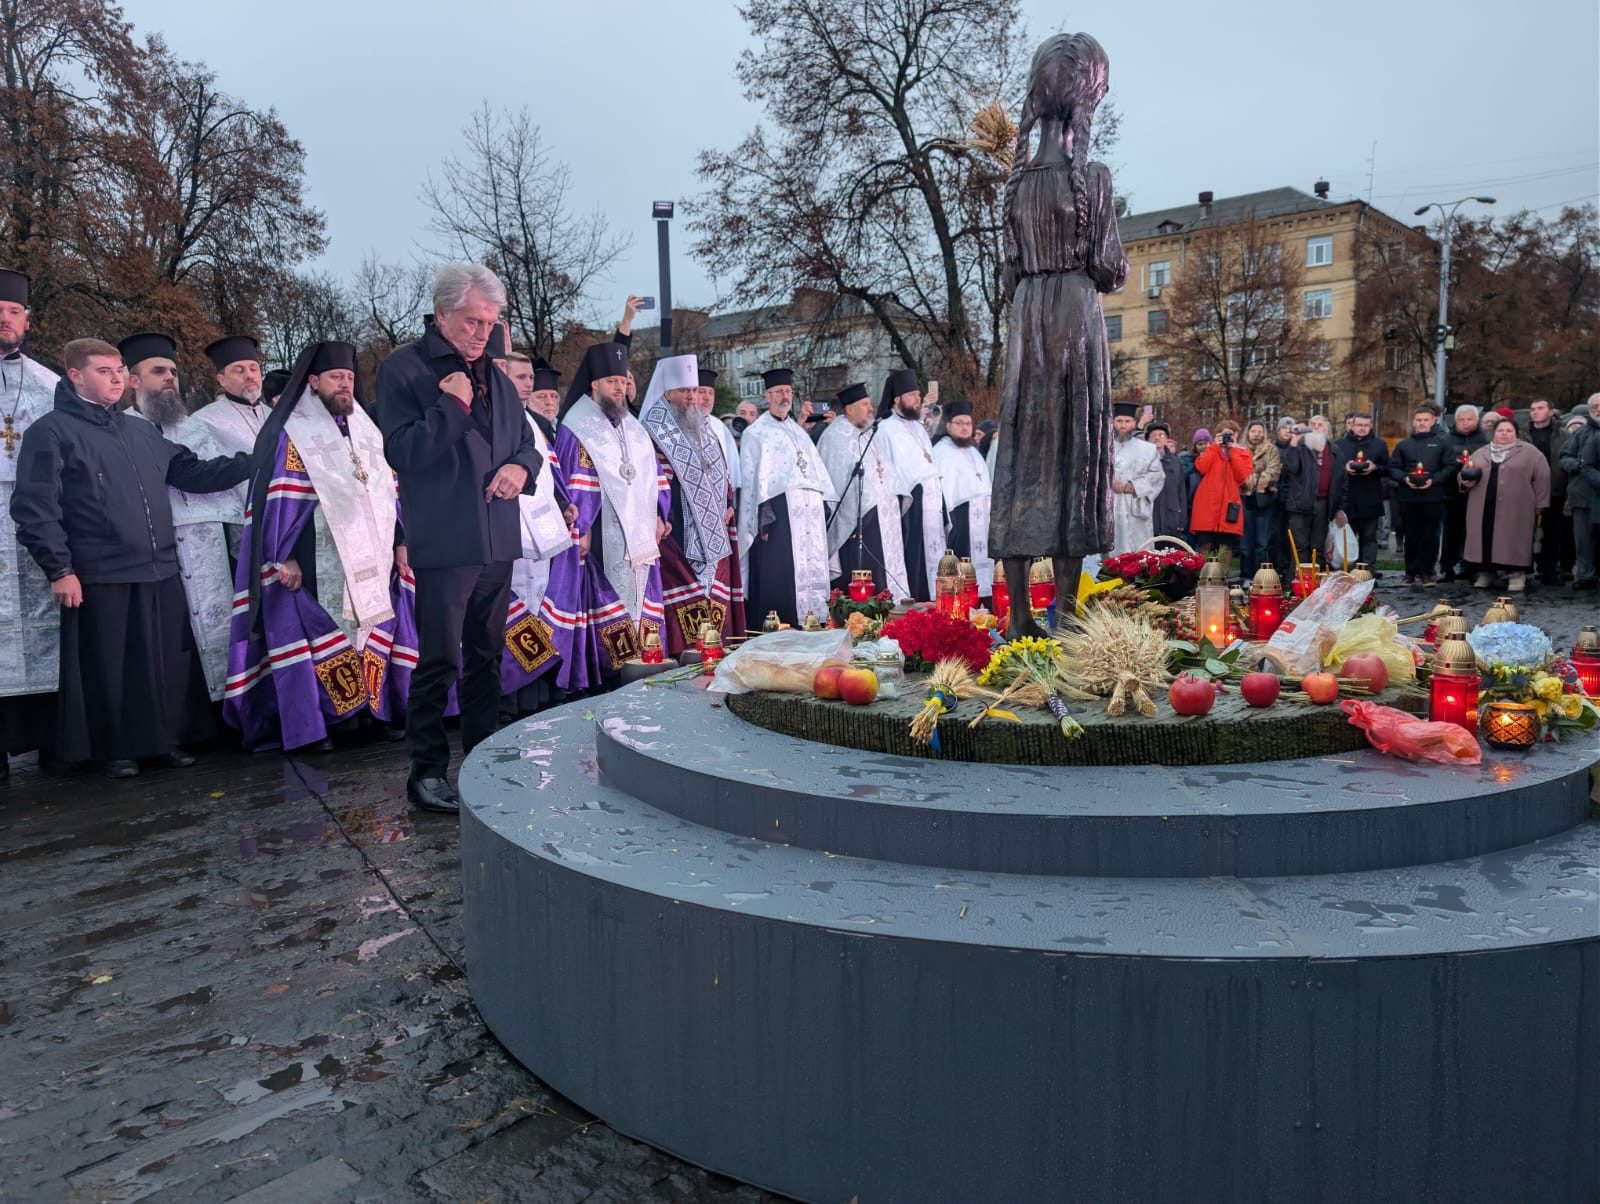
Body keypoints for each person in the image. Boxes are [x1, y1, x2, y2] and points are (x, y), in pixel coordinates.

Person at [10, 338, 255, 777]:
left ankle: (164, 742)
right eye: (103, 371)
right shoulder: (51, 432)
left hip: (159, 566)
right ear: (75, 376)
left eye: (119, 370)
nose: (116, 378)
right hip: (100, 571)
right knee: (112, 669)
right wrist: (60, 569)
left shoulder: (141, 429)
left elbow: (190, 473)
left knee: (162, 665)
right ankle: (116, 750)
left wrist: (253, 462)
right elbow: (34, 507)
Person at [376, 264, 544, 814]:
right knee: (440, 660)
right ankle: (426, 772)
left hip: (497, 536)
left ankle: (482, 757)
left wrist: (522, 469)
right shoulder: (403, 369)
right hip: (447, 540)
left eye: (490, 323)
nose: (482, 333)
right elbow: (402, 453)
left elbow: (526, 442)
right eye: (473, 321)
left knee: (487, 657)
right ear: (443, 313)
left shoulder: (495, 373)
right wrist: (451, 405)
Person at [989, 33, 1126, 638]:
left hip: (1028, 321)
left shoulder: (1015, 187)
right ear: (1086, 104)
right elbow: (1110, 268)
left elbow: (1009, 271)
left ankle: (1019, 615)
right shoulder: (1093, 178)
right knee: (1075, 456)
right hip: (1075, 315)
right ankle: (1066, 617)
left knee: (1022, 456)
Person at [225, 341, 407, 752]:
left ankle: (371, 711)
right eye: (335, 378)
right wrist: (281, 553)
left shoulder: (367, 430)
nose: (344, 385)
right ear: (313, 382)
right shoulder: (292, 432)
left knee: (370, 626)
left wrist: (400, 542)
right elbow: (275, 499)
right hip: (314, 552)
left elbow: (388, 494)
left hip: (371, 554)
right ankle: (330, 719)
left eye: (349, 378)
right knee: (328, 632)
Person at [120, 331, 237, 701]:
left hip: (208, 546)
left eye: (172, 370)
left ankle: (224, 713)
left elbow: (226, 490)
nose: (170, 377)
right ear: (133, 381)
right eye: (158, 371)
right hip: (155, 549)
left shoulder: (197, 428)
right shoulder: (121, 428)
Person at [543, 341, 666, 687]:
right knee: (608, 608)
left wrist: (659, 514)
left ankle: (646, 666)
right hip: (601, 534)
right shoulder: (577, 425)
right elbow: (574, 482)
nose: (619, 387)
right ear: (594, 384)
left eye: (623, 381)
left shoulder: (634, 427)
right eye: (611, 381)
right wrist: (582, 527)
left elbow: (653, 479)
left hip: (641, 539)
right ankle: (609, 676)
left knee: (642, 605)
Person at [0, 268, 62, 774]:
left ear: (28, 320)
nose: (5, 319)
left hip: (37, 527)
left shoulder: (53, 386)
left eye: (13, 311)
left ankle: (55, 743)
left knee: (47, 630)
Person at [640, 354, 744, 654]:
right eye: (684, 391)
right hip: (677, 535)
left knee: (715, 608)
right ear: (667, 393)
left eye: (695, 390)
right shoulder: (653, 432)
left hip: (713, 534)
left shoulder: (705, 428)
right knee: (685, 615)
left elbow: (721, 473)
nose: (691, 397)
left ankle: (715, 660)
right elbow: (655, 484)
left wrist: (728, 503)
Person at [737, 367, 838, 625]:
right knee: (782, 574)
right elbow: (753, 484)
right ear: (767, 396)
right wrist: (764, 520)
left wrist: (824, 508)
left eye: (788, 391)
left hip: (808, 518)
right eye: (779, 392)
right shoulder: (755, 433)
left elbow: (816, 474)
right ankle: (783, 626)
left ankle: (815, 622)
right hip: (778, 519)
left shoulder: (798, 431)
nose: (785, 396)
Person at [500, 351, 571, 718]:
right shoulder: (493, 418)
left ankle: (540, 691)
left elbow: (546, 473)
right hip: (508, 533)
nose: (529, 383)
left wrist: (563, 503)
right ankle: (511, 700)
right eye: (520, 377)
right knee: (513, 615)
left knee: (539, 611)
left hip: (540, 534)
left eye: (530, 377)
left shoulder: (531, 421)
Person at [819, 382, 910, 599]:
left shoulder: (868, 432)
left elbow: (885, 472)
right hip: (858, 524)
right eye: (865, 404)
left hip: (882, 517)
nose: (871, 409)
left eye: (870, 404)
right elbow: (837, 483)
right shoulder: (834, 437)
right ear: (849, 408)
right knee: (866, 579)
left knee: (881, 573)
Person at [191, 334, 269, 557]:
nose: (249, 375)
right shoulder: (202, 421)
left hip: (287, 520)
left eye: (253, 368)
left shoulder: (278, 416)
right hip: (240, 527)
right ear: (221, 380)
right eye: (239, 370)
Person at [874, 368, 945, 600]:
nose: (918, 399)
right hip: (909, 504)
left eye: (918, 394)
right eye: (912, 395)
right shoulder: (885, 429)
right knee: (914, 560)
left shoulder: (917, 427)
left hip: (930, 502)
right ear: (897, 400)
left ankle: (935, 603)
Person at [1461, 416, 1549, 592]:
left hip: (1517, 508)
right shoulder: (1482, 452)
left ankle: (1517, 574)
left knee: (1515, 540)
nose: (1504, 434)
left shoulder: (1530, 452)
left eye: (1509, 431)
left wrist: (1541, 503)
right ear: (1494, 433)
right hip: (1484, 507)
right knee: (1484, 539)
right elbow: (1464, 472)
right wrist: (1465, 480)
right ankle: (1486, 572)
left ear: (1516, 433)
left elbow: (1543, 477)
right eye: (1501, 430)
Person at [931, 401, 995, 594]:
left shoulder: (974, 452)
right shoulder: (941, 452)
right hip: (959, 521)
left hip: (982, 522)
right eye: (959, 423)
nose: (965, 427)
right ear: (948, 425)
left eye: (968, 423)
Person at [1387, 407, 1456, 585]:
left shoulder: (1442, 443)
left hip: (1432, 496)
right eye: (1419, 420)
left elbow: (1449, 467)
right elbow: (1393, 468)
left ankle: (1427, 572)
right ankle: (1410, 572)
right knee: (1410, 535)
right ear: (1414, 422)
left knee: (1430, 535)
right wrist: (1404, 478)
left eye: (1426, 420)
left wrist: (1433, 480)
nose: (1422, 423)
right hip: (1408, 497)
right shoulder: (1403, 445)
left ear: (1433, 421)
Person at [1188, 422, 1252, 575]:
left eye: (1231, 433)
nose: (1228, 437)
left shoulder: (1243, 453)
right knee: (1205, 545)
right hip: (1207, 507)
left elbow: (1241, 477)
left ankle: (1221, 581)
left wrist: (1234, 451)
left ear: (1237, 434)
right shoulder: (1211, 450)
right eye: (1224, 434)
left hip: (1229, 508)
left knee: (1226, 547)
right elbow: (1201, 467)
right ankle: (1201, 580)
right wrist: (1215, 446)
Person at [1329, 412, 1389, 570]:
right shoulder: (1339, 445)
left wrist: (1375, 467)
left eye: (1366, 425)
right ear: (1352, 425)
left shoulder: (1380, 444)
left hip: (1370, 499)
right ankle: (1347, 573)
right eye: (1359, 425)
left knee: (1369, 538)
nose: (1362, 428)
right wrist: (1344, 468)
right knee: (1346, 540)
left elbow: (1388, 469)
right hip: (1348, 500)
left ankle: (1367, 572)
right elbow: (1333, 471)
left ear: (1370, 426)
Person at [1522, 399, 1569, 585]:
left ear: (1551, 412)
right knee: (1525, 532)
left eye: (1540, 408)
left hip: (1555, 489)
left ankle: (1549, 570)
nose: (1535, 412)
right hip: (1526, 491)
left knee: (1552, 533)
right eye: (1532, 409)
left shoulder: (1563, 435)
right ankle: (1523, 570)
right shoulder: (1522, 434)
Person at [1107, 401, 1164, 555]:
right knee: (1110, 553)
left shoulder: (1147, 449)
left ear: (1134, 423)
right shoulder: (1103, 447)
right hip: (1110, 507)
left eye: (1127, 421)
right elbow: (1092, 473)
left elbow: (1157, 476)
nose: (1123, 425)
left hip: (1136, 507)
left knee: (1139, 553)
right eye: (1119, 421)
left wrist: (1135, 486)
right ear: (1113, 423)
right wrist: (1109, 482)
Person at [1440, 404, 1488, 580]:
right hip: (1451, 493)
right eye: (1462, 420)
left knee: (1474, 532)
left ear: (1477, 421)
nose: (1465, 423)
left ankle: (1471, 566)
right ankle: (1447, 567)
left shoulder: (1485, 440)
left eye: (1470, 419)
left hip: (1478, 494)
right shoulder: (1446, 440)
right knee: (1451, 532)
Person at [1559, 394, 1600, 590]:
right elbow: (1564, 457)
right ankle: (1585, 575)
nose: (1598, 409)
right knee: (1583, 539)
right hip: (1583, 494)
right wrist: (1578, 465)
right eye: (1595, 406)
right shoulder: (1580, 434)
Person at [1238, 420, 1281, 574]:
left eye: (1259, 431)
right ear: (1247, 433)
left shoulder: (1271, 449)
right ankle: (1245, 575)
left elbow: (1273, 470)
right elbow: (1239, 472)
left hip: (1263, 499)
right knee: (1245, 542)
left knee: (1262, 542)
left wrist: (1257, 481)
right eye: (1253, 431)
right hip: (1244, 497)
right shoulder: (1239, 450)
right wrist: (1252, 481)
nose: (1256, 434)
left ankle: (1259, 575)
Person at [699, 368, 741, 493]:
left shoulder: (720, 427)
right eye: (702, 392)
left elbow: (732, 468)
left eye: (711, 393)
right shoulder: (682, 425)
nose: (707, 398)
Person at [1145, 423, 1187, 541]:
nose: (1158, 438)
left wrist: (1182, 518)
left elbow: (1181, 491)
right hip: (1149, 515)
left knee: (1169, 555)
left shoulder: (1175, 462)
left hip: (1171, 515)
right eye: (1154, 435)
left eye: (1161, 435)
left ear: (1167, 440)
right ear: (1148, 439)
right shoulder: (1142, 460)